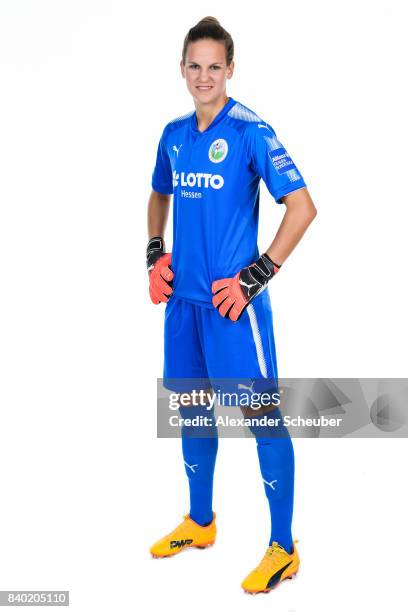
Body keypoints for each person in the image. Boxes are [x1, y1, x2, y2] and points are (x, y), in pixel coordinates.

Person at [146, 16, 317, 594]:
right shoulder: (173, 133)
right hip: (183, 308)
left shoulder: (250, 131)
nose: (203, 76)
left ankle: (284, 548)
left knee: (262, 420)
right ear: (182, 69)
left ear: (230, 70)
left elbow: (302, 207)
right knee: (191, 412)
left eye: (214, 66)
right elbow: (158, 191)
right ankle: (200, 522)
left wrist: (256, 276)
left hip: (232, 310)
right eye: (194, 65)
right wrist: (154, 254)